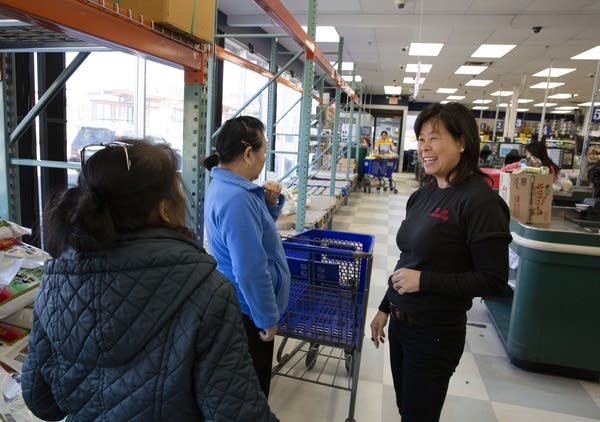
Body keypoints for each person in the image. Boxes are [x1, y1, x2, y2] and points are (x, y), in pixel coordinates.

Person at [21, 139, 278, 422]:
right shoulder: (208, 291)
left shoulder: (55, 281)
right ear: (165, 208)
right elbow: (236, 413)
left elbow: (41, 401)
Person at [369, 102, 512, 422]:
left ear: (462, 142)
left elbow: (493, 280)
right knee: (407, 408)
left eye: (434, 138)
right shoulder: (423, 195)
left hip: (435, 333)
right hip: (401, 326)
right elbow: (410, 257)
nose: (424, 147)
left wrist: (425, 281)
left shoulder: (482, 202)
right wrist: (385, 306)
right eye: (420, 138)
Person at [203, 116, 291, 397]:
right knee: (253, 391)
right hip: (249, 312)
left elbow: (257, 236)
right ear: (248, 153)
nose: (265, 157)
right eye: (264, 150)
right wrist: (266, 318)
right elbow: (250, 270)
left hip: (243, 305)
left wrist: (269, 205)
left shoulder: (230, 188)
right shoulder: (237, 199)